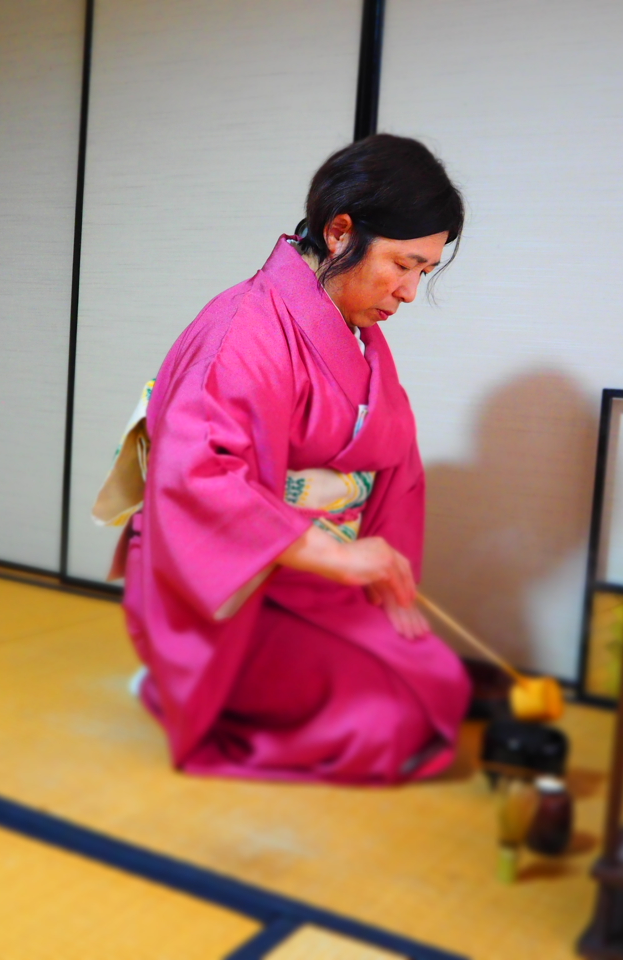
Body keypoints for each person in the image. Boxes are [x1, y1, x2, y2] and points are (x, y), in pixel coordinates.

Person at [122, 134, 471, 784]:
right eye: (403, 264)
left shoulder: (356, 331)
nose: (409, 292)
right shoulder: (243, 329)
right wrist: (336, 555)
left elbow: (395, 466)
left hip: (311, 580)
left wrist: (377, 570)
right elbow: (196, 477)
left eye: (424, 272)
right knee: (391, 721)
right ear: (340, 232)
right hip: (235, 589)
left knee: (439, 682)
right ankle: (178, 686)